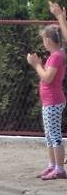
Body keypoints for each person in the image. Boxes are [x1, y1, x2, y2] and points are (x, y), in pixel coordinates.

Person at [27, 24, 67, 180]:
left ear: (49, 41)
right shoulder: (55, 55)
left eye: (44, 39)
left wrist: (36, 65)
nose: (43, 42)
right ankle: (52, 165)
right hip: (49, 101)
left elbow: (48, 78)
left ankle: (59, 169)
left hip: (53, 101)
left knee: (55, 135)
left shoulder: (56, 56)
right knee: (49, 136)